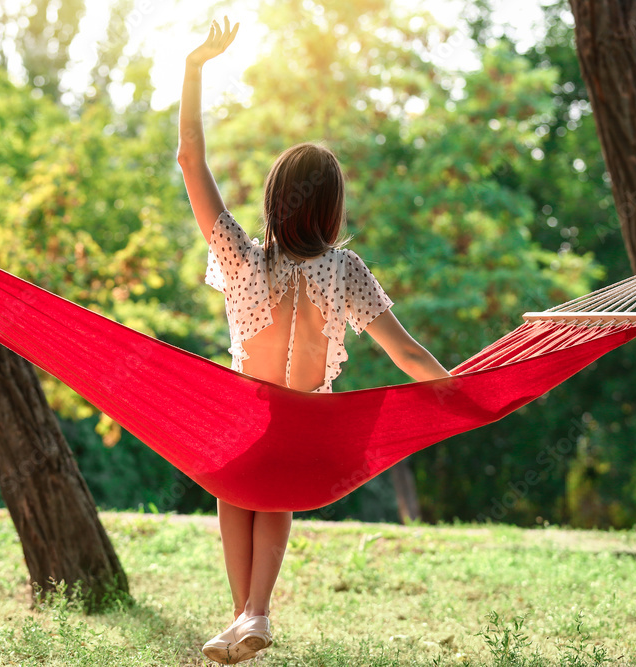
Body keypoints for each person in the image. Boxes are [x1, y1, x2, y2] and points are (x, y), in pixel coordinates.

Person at [177, 17, 451, 665]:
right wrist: (460, 387)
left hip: (244, 420)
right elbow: (407, 353)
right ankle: (250, 614)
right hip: (308, 428)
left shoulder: (242, 260)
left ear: (275, 202)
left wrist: (194, 68)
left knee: (236, 490)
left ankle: (250, 612)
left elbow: (191, 159)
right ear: (331, 212)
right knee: (273, 492)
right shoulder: (345, 270)